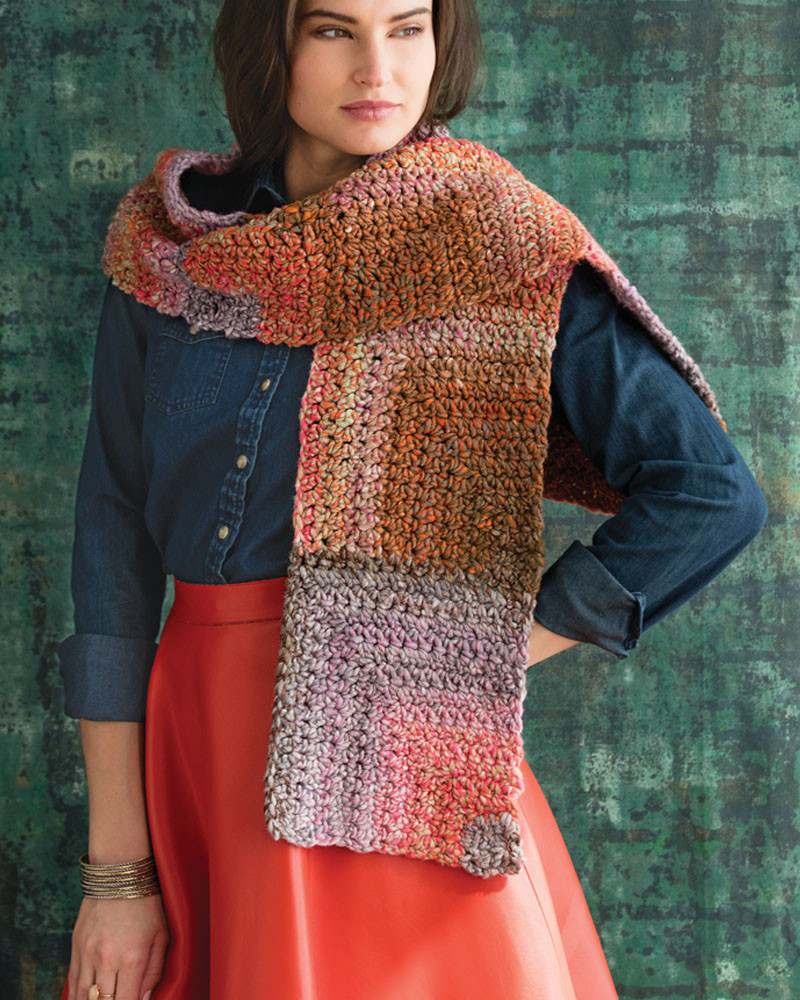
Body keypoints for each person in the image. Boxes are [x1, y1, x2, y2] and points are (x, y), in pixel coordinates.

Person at [58, 1, 768, 998]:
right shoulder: (166, 246)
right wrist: (118, 874)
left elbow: (710, 495)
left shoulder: (499, 236)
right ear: (267, 43)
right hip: (196, 748)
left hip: (407, 771)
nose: (377, 69)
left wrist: (454, 655)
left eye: (405, 27)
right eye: (332, 30)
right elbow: (112, 547)